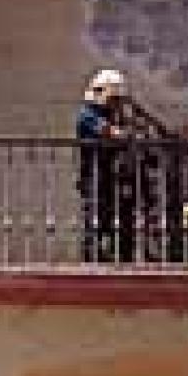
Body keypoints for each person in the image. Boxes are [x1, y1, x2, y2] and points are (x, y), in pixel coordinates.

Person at [77, 69, 142, 263]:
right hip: (96, 177)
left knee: (123, 222)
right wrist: (128, 132)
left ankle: (123, 259)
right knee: (96, 222)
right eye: (113, 97)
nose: (116, 103)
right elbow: (112, 133)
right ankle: (94, 261)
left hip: (117, 177)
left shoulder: (115, 114)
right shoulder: (87, 114)